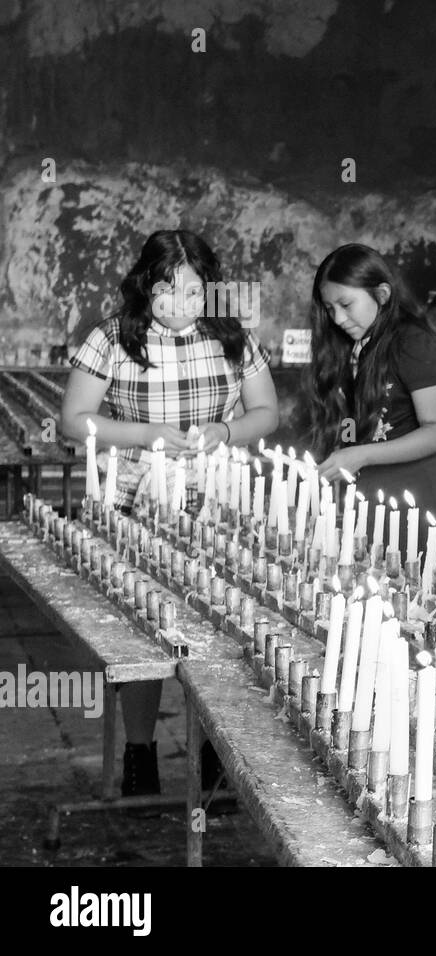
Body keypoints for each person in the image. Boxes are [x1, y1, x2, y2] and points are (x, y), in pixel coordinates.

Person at [61, 229, 279, 796]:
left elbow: (267, 413)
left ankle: (213, 756)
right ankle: (140, 753)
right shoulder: (113, 337)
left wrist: (226, 430)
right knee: (147, 629)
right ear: (145, 286)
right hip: (136, 496)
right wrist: (148, 434)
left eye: (194, 293)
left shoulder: (232, 338)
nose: (182, 307)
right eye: (167, 292)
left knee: (218, 627)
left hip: (214, 499)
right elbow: (75, 419)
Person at [307, 243, 436, 579]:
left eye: (346, 305)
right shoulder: (353, 346)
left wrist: (362, 455)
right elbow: (350, 419)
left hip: (412, 499)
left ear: (383, 294)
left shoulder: (413, 343)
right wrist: (341, 449)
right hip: (366, 493)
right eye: (330, 309)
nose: (338, 319)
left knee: (410, 601)